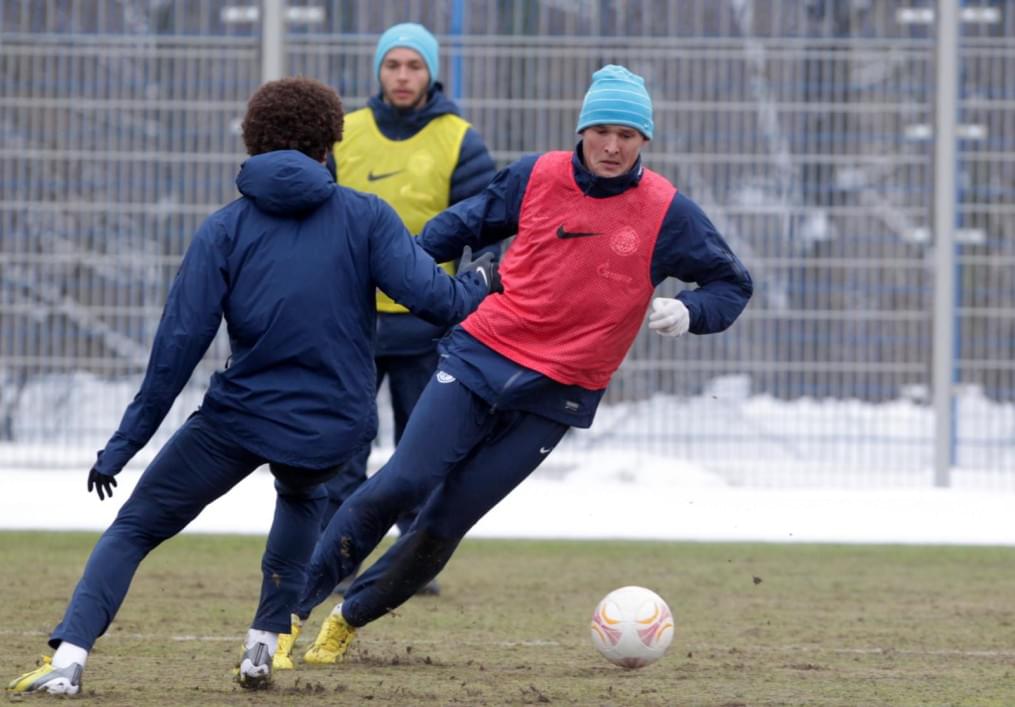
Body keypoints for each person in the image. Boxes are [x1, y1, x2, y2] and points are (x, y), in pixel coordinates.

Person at [6, 76, 498, 696]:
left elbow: (176, 348)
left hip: (238, 418)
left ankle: (70, 658)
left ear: (253, 141)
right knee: (299, 494)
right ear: (331, 144)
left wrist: (126, 442)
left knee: (134, 529)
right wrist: (481, 282)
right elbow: (435, 300)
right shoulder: (368, 217)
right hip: (331, 424)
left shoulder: (224, 228)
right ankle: (262, 647)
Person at [271, 64, 754, 668]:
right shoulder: (536, 175)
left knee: (444, 524)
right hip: (480, 357)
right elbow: (460, 225)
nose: (612, 145)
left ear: (644, 142)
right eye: (601, 129)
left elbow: (731, 285)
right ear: (581, 130)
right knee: (401, 483)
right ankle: (287, 616)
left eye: (627, 135)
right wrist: (404, 266)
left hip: (557, 395)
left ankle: (346, 620)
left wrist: (690, 310)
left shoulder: (668, 212)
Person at [320, 22, 497, 598]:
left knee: (421, 453)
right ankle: (337, 553)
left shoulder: (459, 139)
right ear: (379, 70)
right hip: (353, 323)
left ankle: (409, 561)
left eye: (413, 66)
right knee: (344, 444)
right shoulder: (343, 133)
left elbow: (487, 228)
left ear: (430, 73)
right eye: (393, 65)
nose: (402, 76)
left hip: (430, 324)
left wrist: (477, 291)